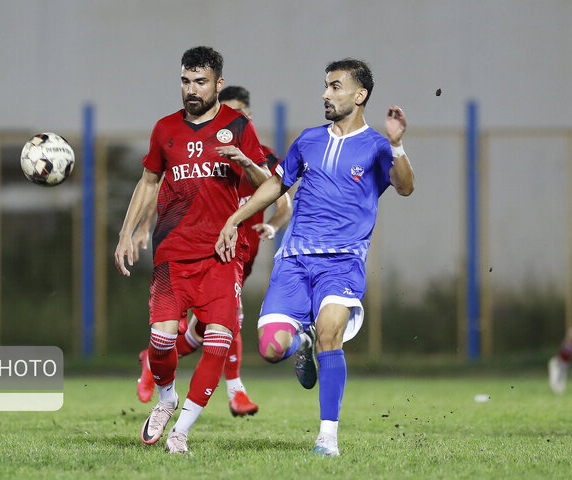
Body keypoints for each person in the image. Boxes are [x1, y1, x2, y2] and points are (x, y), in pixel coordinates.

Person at [215, 58, 415, 457]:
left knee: (330, 334)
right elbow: (276, 184)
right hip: (294, 260)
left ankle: (327, 438)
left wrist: (396, 144)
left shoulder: (377, 146)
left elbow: (405, 186)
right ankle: (300, 341)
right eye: (326, 86)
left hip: (342, 263)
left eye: (336, 87)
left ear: (360, 96)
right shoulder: (308, 139)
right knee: (271, 349)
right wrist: (236, 218)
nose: (326, 94)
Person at [114, 46, 271, 454]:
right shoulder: (165, 129)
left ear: (218, 83)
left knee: (217, 341)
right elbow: (148, 183)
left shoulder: (237, 126)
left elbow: (267, 184)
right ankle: (166, 399)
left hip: (221, 256)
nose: (191, 89)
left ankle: (181, 430)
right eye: (185, 81)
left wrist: (246, 163)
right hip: (172, 254)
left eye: (200, 81)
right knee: (162, 343)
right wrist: (126, 233)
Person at [133, 86, 292, 417]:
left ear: (246, 118)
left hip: (241, 254)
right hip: (208, 254)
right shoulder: (204, 154)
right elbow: (163, 186)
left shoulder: (262, 159)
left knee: (201, 333)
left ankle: (153, 360)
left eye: (236, 116)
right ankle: (235, 392)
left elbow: (284, 203)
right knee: (223, 325)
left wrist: (273, 227)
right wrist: (143, 226)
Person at [548, 327, 572, 394]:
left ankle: (560, 390)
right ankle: (557, 389)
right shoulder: (566, 343)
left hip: (564, 363)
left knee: (562, 377)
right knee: (556, 377)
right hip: (559, 362)